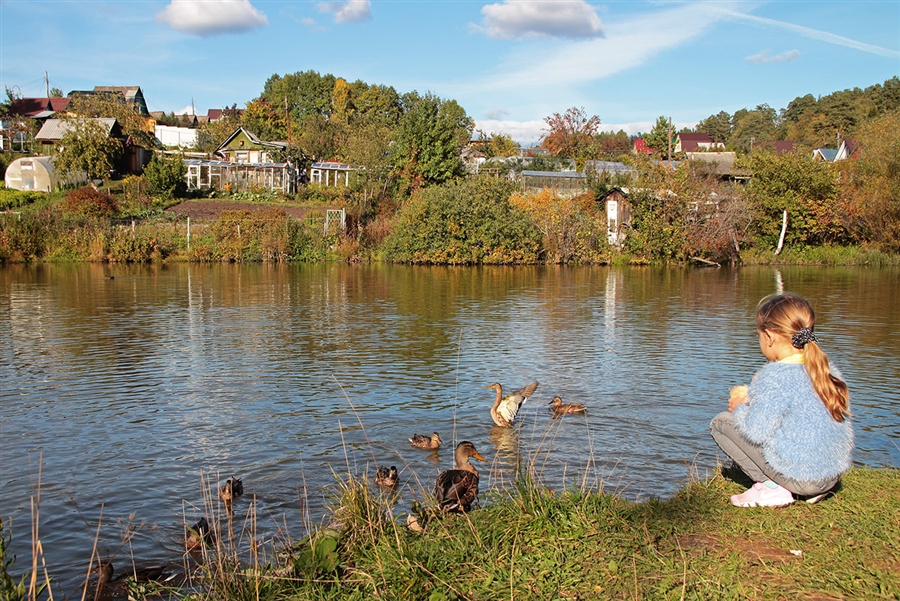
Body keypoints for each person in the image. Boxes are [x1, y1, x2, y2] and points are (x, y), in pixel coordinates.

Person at [710, 293, 854, 507]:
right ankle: (813, 491)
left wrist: (740, 407)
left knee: (720, 423)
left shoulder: (774, 375)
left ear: (769, 336)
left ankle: (773, 487)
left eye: (758, 335)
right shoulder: (827, 369)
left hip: (803, 479)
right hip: (830, 476)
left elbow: (755, 432)